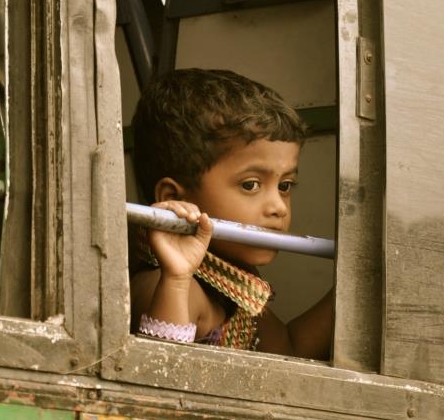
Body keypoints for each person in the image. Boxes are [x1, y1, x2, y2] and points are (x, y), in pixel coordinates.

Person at [130, 68, 333, 359]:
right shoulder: (166, 282)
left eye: (285, 186)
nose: (278, 207)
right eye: (250, 185)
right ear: (174, 198)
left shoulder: (235, 285)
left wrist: (359, 283)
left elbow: (290, 351)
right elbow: (160, 369)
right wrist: (175, 279)